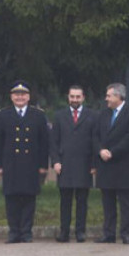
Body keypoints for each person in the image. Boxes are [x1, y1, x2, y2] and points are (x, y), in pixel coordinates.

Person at [0, 81, 49, 243]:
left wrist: (43, 165)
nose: (20, 97)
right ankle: (14, 232)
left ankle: (26, 232)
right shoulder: (3, 115)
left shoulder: (38, 115)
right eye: (16, 94)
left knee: (29, 198)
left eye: (23, 94)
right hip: (10, 164)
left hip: (31, 164)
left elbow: (44, 142)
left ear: (28, 97)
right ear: (11, 97)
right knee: (11, 198)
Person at [94, 83, 129, 244]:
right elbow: (95, 136)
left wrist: (112, 152)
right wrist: (101, 150)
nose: (106, 98)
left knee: (125, 203)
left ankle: (127, 233)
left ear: (118, 96)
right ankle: (108, 233)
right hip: (105, 165)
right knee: (107, 202)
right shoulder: (103, 114)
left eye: (109, 96)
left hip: (123, 165)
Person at [50, 85, 97, 243]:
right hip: (65, 164)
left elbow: (95, 142)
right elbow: (54, 142)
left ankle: (80, 232)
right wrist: (56, 161)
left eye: (78, 97)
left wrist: (94, 164)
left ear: (83, 97)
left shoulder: (92, 116)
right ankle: (64, 232)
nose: (75, 100)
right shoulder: (59, 116)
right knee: (65, 201)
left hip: (85, 165)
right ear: (68, 97)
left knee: (82, 201)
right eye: (72, 97)